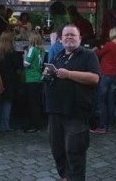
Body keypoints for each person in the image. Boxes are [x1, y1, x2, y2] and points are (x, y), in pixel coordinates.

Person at [43, 25, 101, 181]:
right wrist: (49, 73)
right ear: (61, 39)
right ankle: (65, 177)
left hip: (76, 113)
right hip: (55, 112)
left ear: (80, 38)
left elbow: (94, 78)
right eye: (66, 35)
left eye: (73, 35)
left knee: (74, 152)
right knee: (57, 151)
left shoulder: (88, 55)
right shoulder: (58, 55)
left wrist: (68, 74)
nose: (69, 37)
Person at [92, 27, 116, 134]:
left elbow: (99, 54)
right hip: (114, 74)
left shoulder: (109, 44)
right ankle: (111, 122)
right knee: (110, 100)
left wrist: (97, 49)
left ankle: (102, 126)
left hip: (105, 74)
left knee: (101, 100)